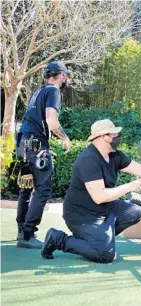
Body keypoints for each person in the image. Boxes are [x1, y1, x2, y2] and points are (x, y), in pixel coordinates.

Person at [40, 119, 141, 263]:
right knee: (105, 256)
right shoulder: (88, 160)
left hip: (104, 208)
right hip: (82, 215)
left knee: (134, 213)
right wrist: (130, 186)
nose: (117, 138)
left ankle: (99, 237)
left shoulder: (114, 155)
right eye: (114, 135)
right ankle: (59, 239)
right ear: (103, 136)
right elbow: (99, 196)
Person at [16, 61, 72, 249]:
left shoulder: (37, 93)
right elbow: (51, 120)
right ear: (62, 76)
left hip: (24, 143)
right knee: (42, 189)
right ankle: (28, 234)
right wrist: (65, 138)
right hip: (36, 145)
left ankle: (21, 230)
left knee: (26, 186)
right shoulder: (53, 92)